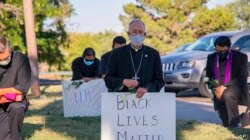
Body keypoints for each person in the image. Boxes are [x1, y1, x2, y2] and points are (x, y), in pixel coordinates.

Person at [104, 19, 164, 98]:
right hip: (122, 102)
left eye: (140, 32)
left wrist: (147, 88)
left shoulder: (153, 54)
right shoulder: (117, 53)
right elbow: (108, 79)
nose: (138, 34)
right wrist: (123, 81)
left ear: (144, 34)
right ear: (129, 34)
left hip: (147, 101)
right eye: (134, 32)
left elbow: (159, 81)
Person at [206, 36, 249, 127]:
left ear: (229, 47)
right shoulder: (211, 57)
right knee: (227, 124)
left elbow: (242, 78)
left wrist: (224, 86)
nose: (221, 53)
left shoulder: (241, 57)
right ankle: (240, 121)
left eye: (224, 51)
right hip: (219, 91)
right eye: (218, 51)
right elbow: (207, 78)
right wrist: (215, 88)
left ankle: (236, 124)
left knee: (227, 94)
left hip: (238, 89)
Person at [0, 37, 31, 140]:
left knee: (16, 107)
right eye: (0, 59)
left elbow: (22, 87)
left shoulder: (21, 59)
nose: (3, 61)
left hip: (15, 100)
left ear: (10, 50)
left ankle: (15, 137)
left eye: (6, 58)